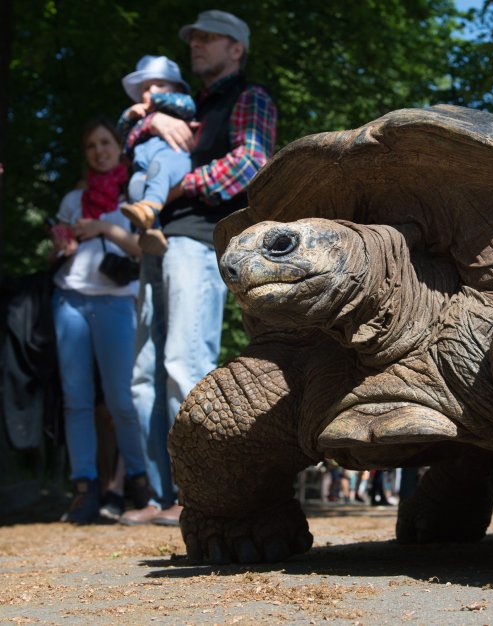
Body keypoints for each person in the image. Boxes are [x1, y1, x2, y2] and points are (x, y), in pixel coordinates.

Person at [119, 10, 277, 526]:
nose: (197, 44)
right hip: (154, 244)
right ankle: (159, 496)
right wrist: (149, 120)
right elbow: (131, 146)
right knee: (143, 375)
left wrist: (177, 185)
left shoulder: (249, 97)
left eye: (210, 38)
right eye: (194, 38)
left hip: (198, 240)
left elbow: (251, 163)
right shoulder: (184, 106)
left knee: (183, 362)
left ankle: (203, 491)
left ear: (237, 48)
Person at [50, 117, 150, 524]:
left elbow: (144, 249)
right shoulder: (74, 199)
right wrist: (64, 244)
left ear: (119, 148)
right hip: (69, 300)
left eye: (106, 142)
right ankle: (85, 488)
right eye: (91, 145)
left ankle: (140, 484)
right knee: (76, 400)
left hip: (116, 303)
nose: (99, 151)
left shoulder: (136, 194)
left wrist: (104, 226)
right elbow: (57, 250)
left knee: (122, 401)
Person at [117, 55, 196, 253]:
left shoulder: (179, 103)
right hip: (143, 164)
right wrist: (129, 115)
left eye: (160, 85)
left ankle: (149, 208)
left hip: (171, 158)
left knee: (158, 168)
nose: (152, 91)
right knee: (135, 186)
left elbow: (187, 106)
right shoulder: (140, 118)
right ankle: (152, 230)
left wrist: (156, 100)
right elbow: (123, 136)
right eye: (146, 88)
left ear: (177, 89)